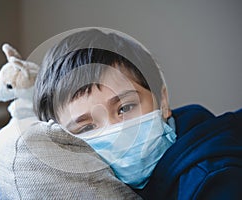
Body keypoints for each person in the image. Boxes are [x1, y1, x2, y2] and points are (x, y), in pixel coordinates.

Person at [33, 28, 242, 199]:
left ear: (163, 101)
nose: (116, 132)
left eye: (125, 108)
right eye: (87, 127)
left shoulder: (213, 179)